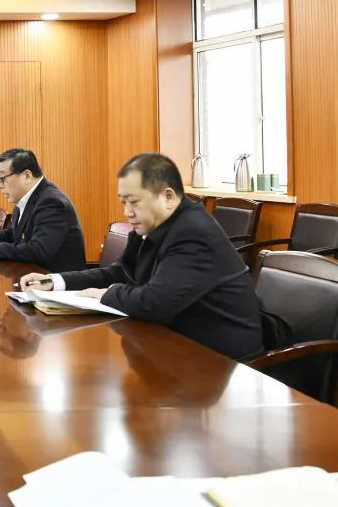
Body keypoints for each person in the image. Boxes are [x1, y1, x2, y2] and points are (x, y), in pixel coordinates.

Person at [20, 153, 265, 360]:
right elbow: (120, 272)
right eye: (123, 202)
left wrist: (106, 294)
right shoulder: (152, 223)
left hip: (224, 360)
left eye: (134, 202)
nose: (127, 212)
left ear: (168, 197)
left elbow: (155, 303)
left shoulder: (193, 232)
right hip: (177, 342)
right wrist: (55, 281)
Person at [0, 148, 86, 272]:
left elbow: (39, 250)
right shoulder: (25, 198)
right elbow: (12, 234)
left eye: (2, 178)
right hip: (31, 275)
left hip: (55, 279)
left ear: (26, 176)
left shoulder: (52, 202)